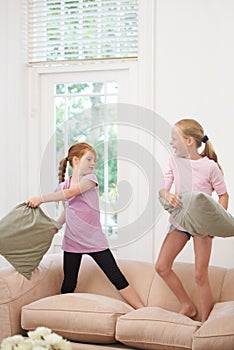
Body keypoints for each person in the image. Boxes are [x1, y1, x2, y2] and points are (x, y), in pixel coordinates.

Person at [26, 142, 144, 309]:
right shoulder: (64, 185)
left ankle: (142, 310)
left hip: (94, 240)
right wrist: (55, 226)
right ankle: (60, 312)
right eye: (89, 159)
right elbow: (68, 211)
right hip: (72, 241)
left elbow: (71, 193)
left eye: (94, 160)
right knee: (69, 282)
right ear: (76, 160)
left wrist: (41, 198)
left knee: (116, 277)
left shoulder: (90, 180)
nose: (93, 163)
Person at [155, 119, 229, 322]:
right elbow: (163, 187)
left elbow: (223, 195)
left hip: (202, 226)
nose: (171, 143)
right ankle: (187, 305)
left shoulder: (209, 167)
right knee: (162, 266)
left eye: (174, 138)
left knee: (200, 275)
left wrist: (217, 221)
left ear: (188, 141)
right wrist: (166, 194)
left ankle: (205, 322)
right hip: (180, 222)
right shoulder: (174, 162)